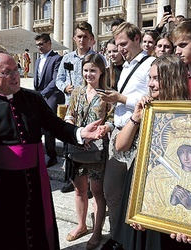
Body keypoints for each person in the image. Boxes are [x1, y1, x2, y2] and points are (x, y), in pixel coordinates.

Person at [0, 50, 104, 250]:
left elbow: (56, 126)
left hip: (35, 178)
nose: (15, 75)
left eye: (16, 69)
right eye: (7, 72)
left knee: (38, 228)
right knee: (10, 234)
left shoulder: (33, 99)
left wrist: (80, 133)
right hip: (5, 187)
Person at [110, 55, 191, 250]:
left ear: (173, 79)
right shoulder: (147, 108)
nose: (151, 84)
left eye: (157, 79)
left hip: (173, 186)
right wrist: (136, 117)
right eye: (150, 78)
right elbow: (120, 146)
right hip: (140, 181)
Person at [98, 22, 155, 239]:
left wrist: (120, 98)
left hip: (138, 133)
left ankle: (129, 240)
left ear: (138, 39)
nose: (120, 48)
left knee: (134, 194)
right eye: (118, 44)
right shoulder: (127, 66)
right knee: (111, 191)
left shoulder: (151, 63)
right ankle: (115, 236)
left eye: (124, 43)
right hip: (119, 132)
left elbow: (150, 101)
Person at [64, 54, 113, 250]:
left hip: (97, 150)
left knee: (97, 192)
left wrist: (103, 130)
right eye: (85, 70)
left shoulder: (107, 93)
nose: (88, 74)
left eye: (93, 70)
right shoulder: (77, 92)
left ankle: (97, 231)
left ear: (101, 71)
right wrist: (73, 130)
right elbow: (70, 114)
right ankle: (81, 225)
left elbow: (112, 118)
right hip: (78, 146)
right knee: (79, 190)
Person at [56, 21, 99, 193]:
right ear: (74, 38)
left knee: (90, 143)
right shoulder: (67, 58)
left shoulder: (97, 58)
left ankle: (90, 183)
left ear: (91, 39)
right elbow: (58, 79)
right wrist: (65, 87)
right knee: (71, 143)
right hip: (71, 106)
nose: (82, 40)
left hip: (91, 107)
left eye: (85, 37)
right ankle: (72, 179)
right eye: (79, 36)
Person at [34, 33, 64, 168]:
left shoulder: (57, 58)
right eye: (37, 45)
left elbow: (56, 79)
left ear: (49, 43)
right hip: (39, 96)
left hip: (51, 97)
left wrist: (43, 94)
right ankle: (40, 153)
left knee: (49, 128)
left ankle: (52, 156)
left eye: (41, 44)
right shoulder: (37, 61)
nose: (39, 47)